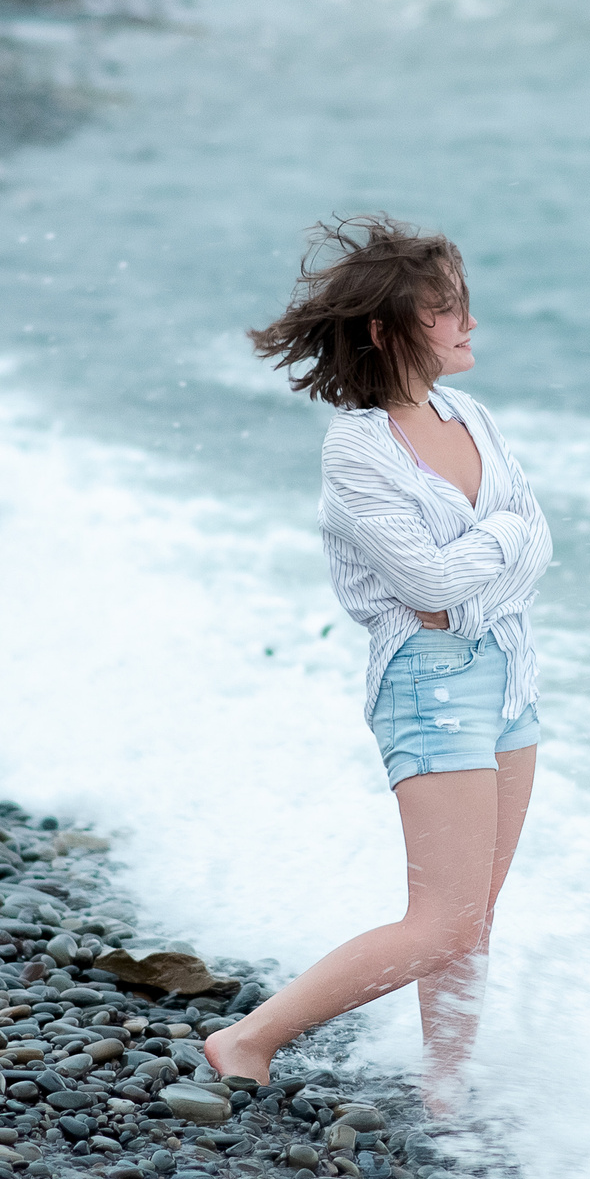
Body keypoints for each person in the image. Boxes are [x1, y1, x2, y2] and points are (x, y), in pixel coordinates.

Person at [205, 215, 553, 1110]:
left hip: (510, 674)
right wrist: (497, 547)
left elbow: (536, 541)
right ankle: (247, 1038)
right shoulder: (357, 448)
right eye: (447, 308)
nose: (468, 324)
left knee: (471, 918)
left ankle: (445, 1089)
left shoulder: (471, 416)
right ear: (383, 327)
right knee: (442, 921)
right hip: (429, 683)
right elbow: (429, 581)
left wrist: (482, 564)